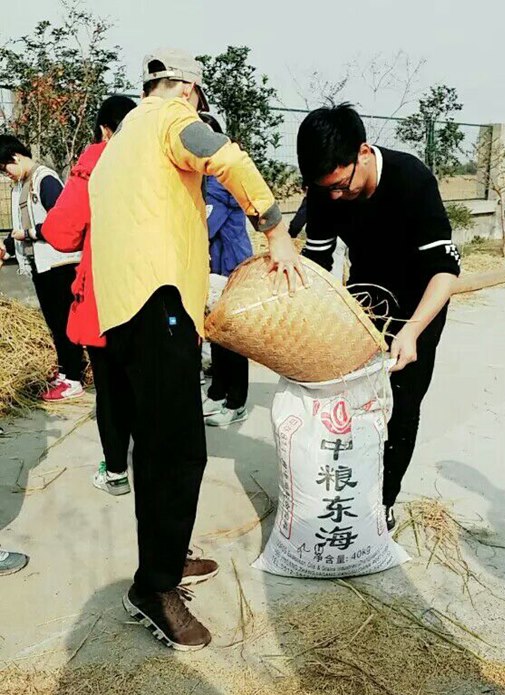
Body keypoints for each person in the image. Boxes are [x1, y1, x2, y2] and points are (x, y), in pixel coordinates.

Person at [89, 49, 304, 651]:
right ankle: (154, 588)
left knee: (156, 442)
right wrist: (276, 231)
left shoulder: (119, 144)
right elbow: (226, 156)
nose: (200, 111)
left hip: (125, 310)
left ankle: (167, 556)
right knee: (178, 450)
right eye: (201, 100)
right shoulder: (167, 119)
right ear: (187, 89)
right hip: (160, 305)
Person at [296, 104, 460, 532]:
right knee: (348, 401)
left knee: (402, 405)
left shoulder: (412, 179)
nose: (334, 196)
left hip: (418, 306)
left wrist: (413, 331)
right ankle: (346, 488)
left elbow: (445, 271)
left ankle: (383, 500)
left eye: (341, 185)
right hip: (364, 301)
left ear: (363, 153)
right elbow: (316, 261)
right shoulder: (325, 188)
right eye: (324, 189)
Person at [40, 95, 137, 496]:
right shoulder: (168, 160)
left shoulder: (98, 159)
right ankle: (155, 468)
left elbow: (61, 233)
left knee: (112, 389)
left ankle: (116, 471)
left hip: (108, 296)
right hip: (163, 295)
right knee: (151, 385)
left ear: (104, 129)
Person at [0, 137, 84, 401]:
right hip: (41, 264)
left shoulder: (44, 180)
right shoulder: (22, 185)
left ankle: (73, 378)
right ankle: (65, 371)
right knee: (54, 323)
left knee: (63, 322)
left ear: (16, 157)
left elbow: (62, 222)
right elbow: (20, 225)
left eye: (5, 168)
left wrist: (29, 234)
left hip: (58, 263)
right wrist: (7, 246)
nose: (6, 174)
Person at [198, 112, 253, 427]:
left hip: (230, 267)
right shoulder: (207, 178)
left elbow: (206, 227)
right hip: (215, 267)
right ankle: (218, 392)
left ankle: (237, 401)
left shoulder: (220, 179)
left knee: (232, 337)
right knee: (215, 333)